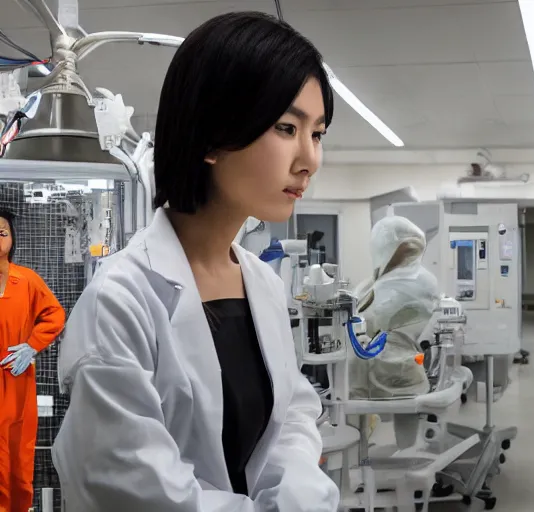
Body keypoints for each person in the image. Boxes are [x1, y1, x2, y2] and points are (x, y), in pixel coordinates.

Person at [52, 12, 339, 512]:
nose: (309, 159)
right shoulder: (121, 302)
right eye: (287, 127)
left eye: (317, 134)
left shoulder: (262, 285)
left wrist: (295, 494)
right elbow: (137, 491)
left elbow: (291, 411)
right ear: (211, 137)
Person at [0, 209, 66, 512]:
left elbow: (54, 315)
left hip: (16, 379)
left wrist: (31, 346)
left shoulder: (26, 281)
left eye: (2, 232)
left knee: (19, 452)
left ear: (13, 239)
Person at [350, 216, 439, 400]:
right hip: (387, 370)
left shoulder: (411, 283)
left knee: (405, 423)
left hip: (396, 371)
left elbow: (372, 320)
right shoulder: (382, 282)